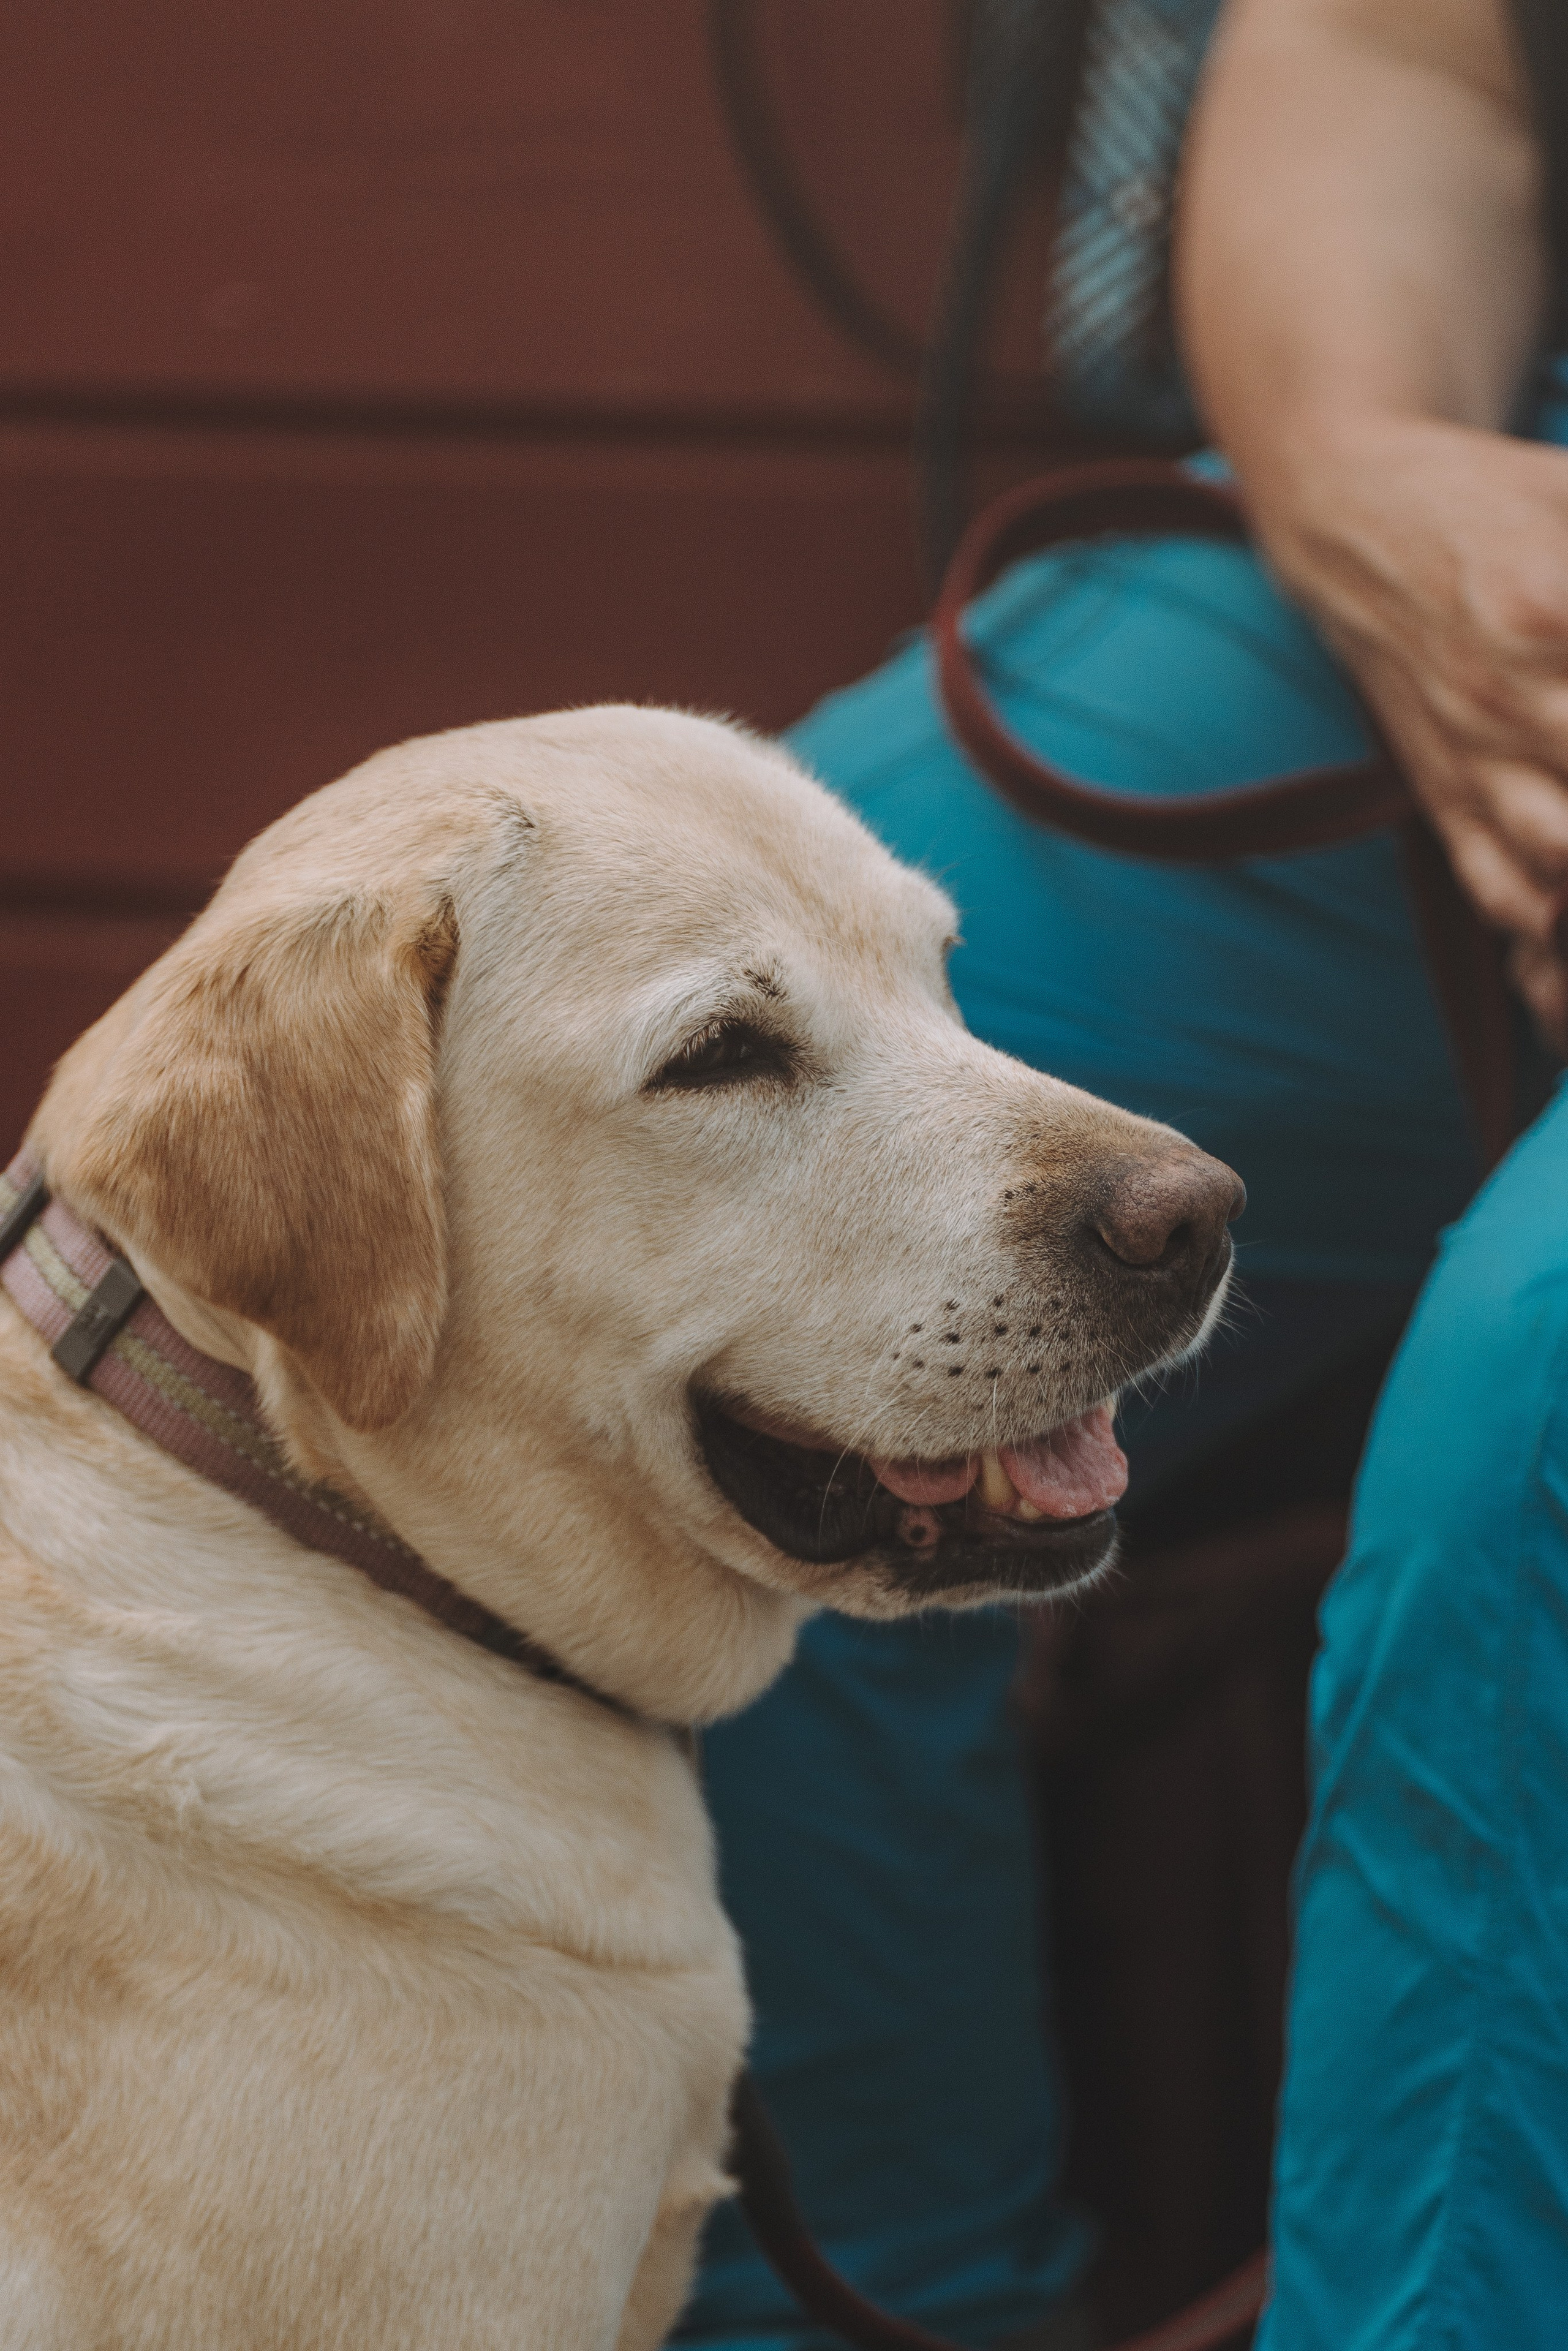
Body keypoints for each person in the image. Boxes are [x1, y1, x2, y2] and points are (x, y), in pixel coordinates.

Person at [679, 4, 1568, 2344]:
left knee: (1540, 1401)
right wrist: (1377, 480)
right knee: (661, 1182)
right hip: (1512, 479)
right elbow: (1414, 54)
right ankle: (870, 2299)